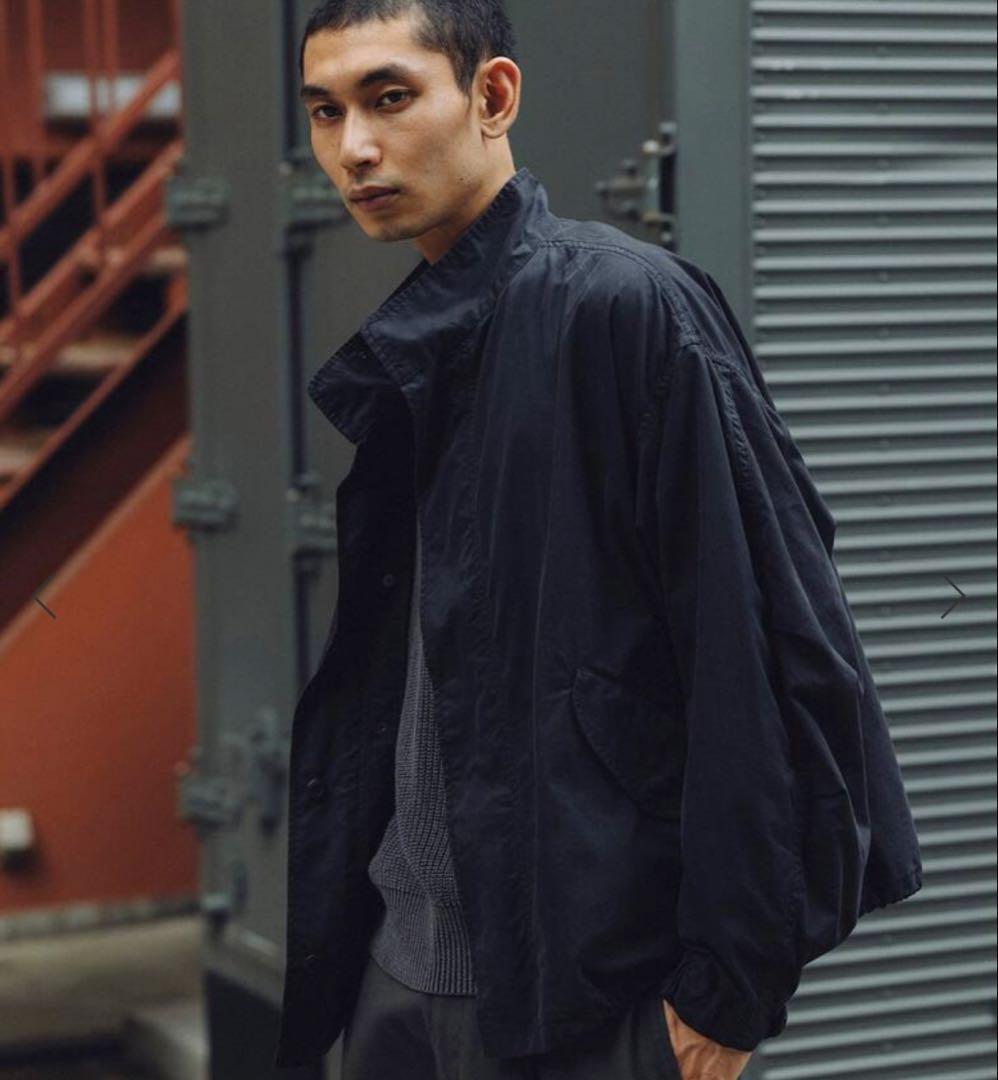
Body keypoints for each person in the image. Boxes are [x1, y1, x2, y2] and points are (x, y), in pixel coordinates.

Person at [274, 2, 924, 1078]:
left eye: (389, 98)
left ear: (491, 96)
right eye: (326, 111)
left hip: (578, 1005)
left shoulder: (626, 308)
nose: (354, 147)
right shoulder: (426, 337)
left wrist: (726, 995)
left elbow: (773, 654)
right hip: (394, 983)